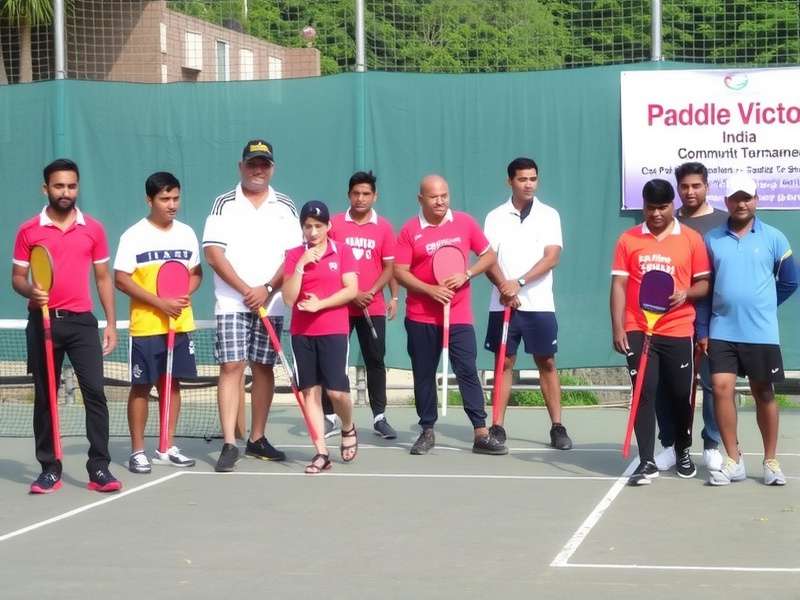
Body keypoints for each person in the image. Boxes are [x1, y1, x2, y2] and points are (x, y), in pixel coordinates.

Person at [12, 158, 121, 494]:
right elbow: (17, 278)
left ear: (77, 188)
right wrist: (31, 290)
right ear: (45, 188)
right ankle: (49, 469)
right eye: (59, 186)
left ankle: (99, 468)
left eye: (71, 186)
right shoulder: (29, 230)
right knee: (45, 397)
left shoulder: (94, 229)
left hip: (83, 324)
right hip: (42, 322)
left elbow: (103, 278)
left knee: (95, 393)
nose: (65, 192)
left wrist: (111, 323)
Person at [202, 140, 302, 472]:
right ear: (241, 166)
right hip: (232, 302)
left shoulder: (285, 205)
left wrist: (268, 288)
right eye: (252, 164)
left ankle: (257, 438)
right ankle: (230, 442)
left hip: (271, 303)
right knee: (232, 366)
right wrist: (247, 290)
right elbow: (213, 254)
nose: (258, 169)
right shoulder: (223, 203)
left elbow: (294, 257)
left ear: (272, 168)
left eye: (264, 164)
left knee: (263, 367)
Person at [394, 174, 504, 455]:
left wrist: (467, 273)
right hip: (421, 316)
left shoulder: (465, 222)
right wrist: (429, 290)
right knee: (424, 374)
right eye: (434, 197)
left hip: (459, 315)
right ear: (421, 199)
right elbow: (400, 272)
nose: (440, 201)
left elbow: (489, 256)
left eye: (444, 195)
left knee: (467, 369)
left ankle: (481, 432)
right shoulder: (409, 230)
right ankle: (427, 431)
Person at [610, 179, 710, 485]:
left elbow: (704, 283)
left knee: (680, 394)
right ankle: (647, 461)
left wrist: (686, 293)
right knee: (643, 392)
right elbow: (619, 285)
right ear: (643, 206)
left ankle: (682, 450)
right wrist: (618, 326)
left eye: (662, 207)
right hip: (637, 327)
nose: (655, 213)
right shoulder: (628, 239)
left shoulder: (691, 239)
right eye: (650, 207)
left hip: (678, 328)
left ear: (672, 205)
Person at [700, 174, 797, 486]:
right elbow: (704, 288)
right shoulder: (711, 239)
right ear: (726, 202)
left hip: (761, 332)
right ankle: (734, 459)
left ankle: (770, 461)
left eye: (747, 197)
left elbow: (790, 281)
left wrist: (764, 304)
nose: (741, 204)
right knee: (721, 389)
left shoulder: (775, 238)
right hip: (721, 330)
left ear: (756, 199)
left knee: (763, 392)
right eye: (735, 198)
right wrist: (702, 328)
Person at [114, 172, 202, 474]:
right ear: (149, 200)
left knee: (172, 385)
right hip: (146, 326)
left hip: (179, 324)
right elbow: (121, 279)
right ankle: (138, 451)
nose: (172, 204)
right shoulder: (133, 236)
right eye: (165, 199)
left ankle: (166, 446)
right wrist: (160, 302)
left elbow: (196, 273)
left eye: (176, 198)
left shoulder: (187, 233)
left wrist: (183, 293)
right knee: (141, 387)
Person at [484, 157, 572, 450]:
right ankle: (497, 426)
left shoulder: (549, 215)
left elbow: (552, 257)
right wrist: (504, 289)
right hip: (503, 305)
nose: (528, 184)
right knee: (504, 363)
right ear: (510, 181)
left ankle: (557, 427)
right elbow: (488, 259)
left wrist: (518, 283)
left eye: (533, 179)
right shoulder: (495, 217)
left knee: (547, 362)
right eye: (522, 179)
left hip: (540, 304)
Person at [654, 162, 728, 473]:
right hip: (671, 319)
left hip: (716, 318)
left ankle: (711, 444)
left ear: (707, 187)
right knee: (668, 386)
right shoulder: (666, 222)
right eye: (684, 186)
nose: (690, 191)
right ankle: (670, 445)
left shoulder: (724, 221)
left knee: (713, 385)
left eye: (696, 185)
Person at [321, 171, 399, 440]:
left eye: (366, 194)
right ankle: (330, 417)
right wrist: (351, 293)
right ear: (348, 195)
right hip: (339, 306)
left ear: (375, 196)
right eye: (356, 193)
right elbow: (326, 262)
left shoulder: (384, 227)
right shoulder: (333, 224)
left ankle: (379, 418)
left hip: (372, 307)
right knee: (333, 362)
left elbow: (389, 267)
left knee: (375, 360)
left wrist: (379, 293)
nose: (361, 198)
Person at [282, 201, 359, 474]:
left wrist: (320, 305)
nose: (313, 232)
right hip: (302, 334)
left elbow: (351, 290)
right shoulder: (293, 255)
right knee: (310, 393)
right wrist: (301, 265)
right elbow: (289, 298)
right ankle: (321, 453)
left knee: (337, 392)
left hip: (334, 330)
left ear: (328, 226)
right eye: (307, 226)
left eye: (318, 226)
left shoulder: (344, 251)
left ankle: (347, 427)